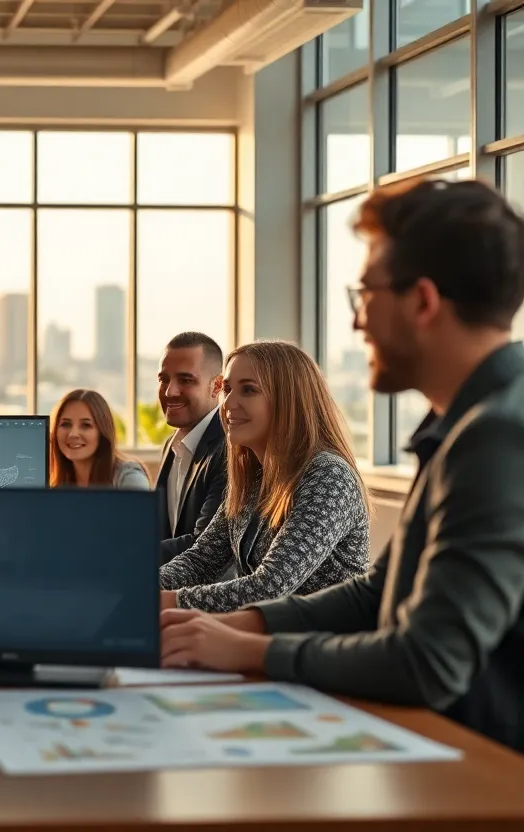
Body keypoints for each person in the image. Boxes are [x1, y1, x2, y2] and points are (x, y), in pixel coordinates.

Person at [160, 178, 524, 752]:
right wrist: (236, 626)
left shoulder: (499, 437)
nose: (357, 324)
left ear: (423, 302)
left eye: (365, 296)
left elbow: (427, 661)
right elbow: (377, 594)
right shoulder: (466, 425)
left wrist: (252, 651)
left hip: (484, 770)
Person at [159, 340, 369, 613]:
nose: (228, 403)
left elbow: (270, 586)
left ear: (288, 400)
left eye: (249, 390)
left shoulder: (328, 475)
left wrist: (168, 601)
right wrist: (137, 585)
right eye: (228, 389)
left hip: (325, 648)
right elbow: (201, 561)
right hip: (272, 640)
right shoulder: (254, 480)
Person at [155, 332, 227, 565]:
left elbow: (202, 545)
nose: (169, 392)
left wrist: (124, 551)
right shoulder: (172, 444)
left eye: (185, 380)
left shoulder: (230, 449)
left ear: (216, 386)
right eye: (164, 379)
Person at [49, 389, 149, 489]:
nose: (73, 434)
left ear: (102, 431)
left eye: (86, 425)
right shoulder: (56, 481)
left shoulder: (129, 478)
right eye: (66, 424)